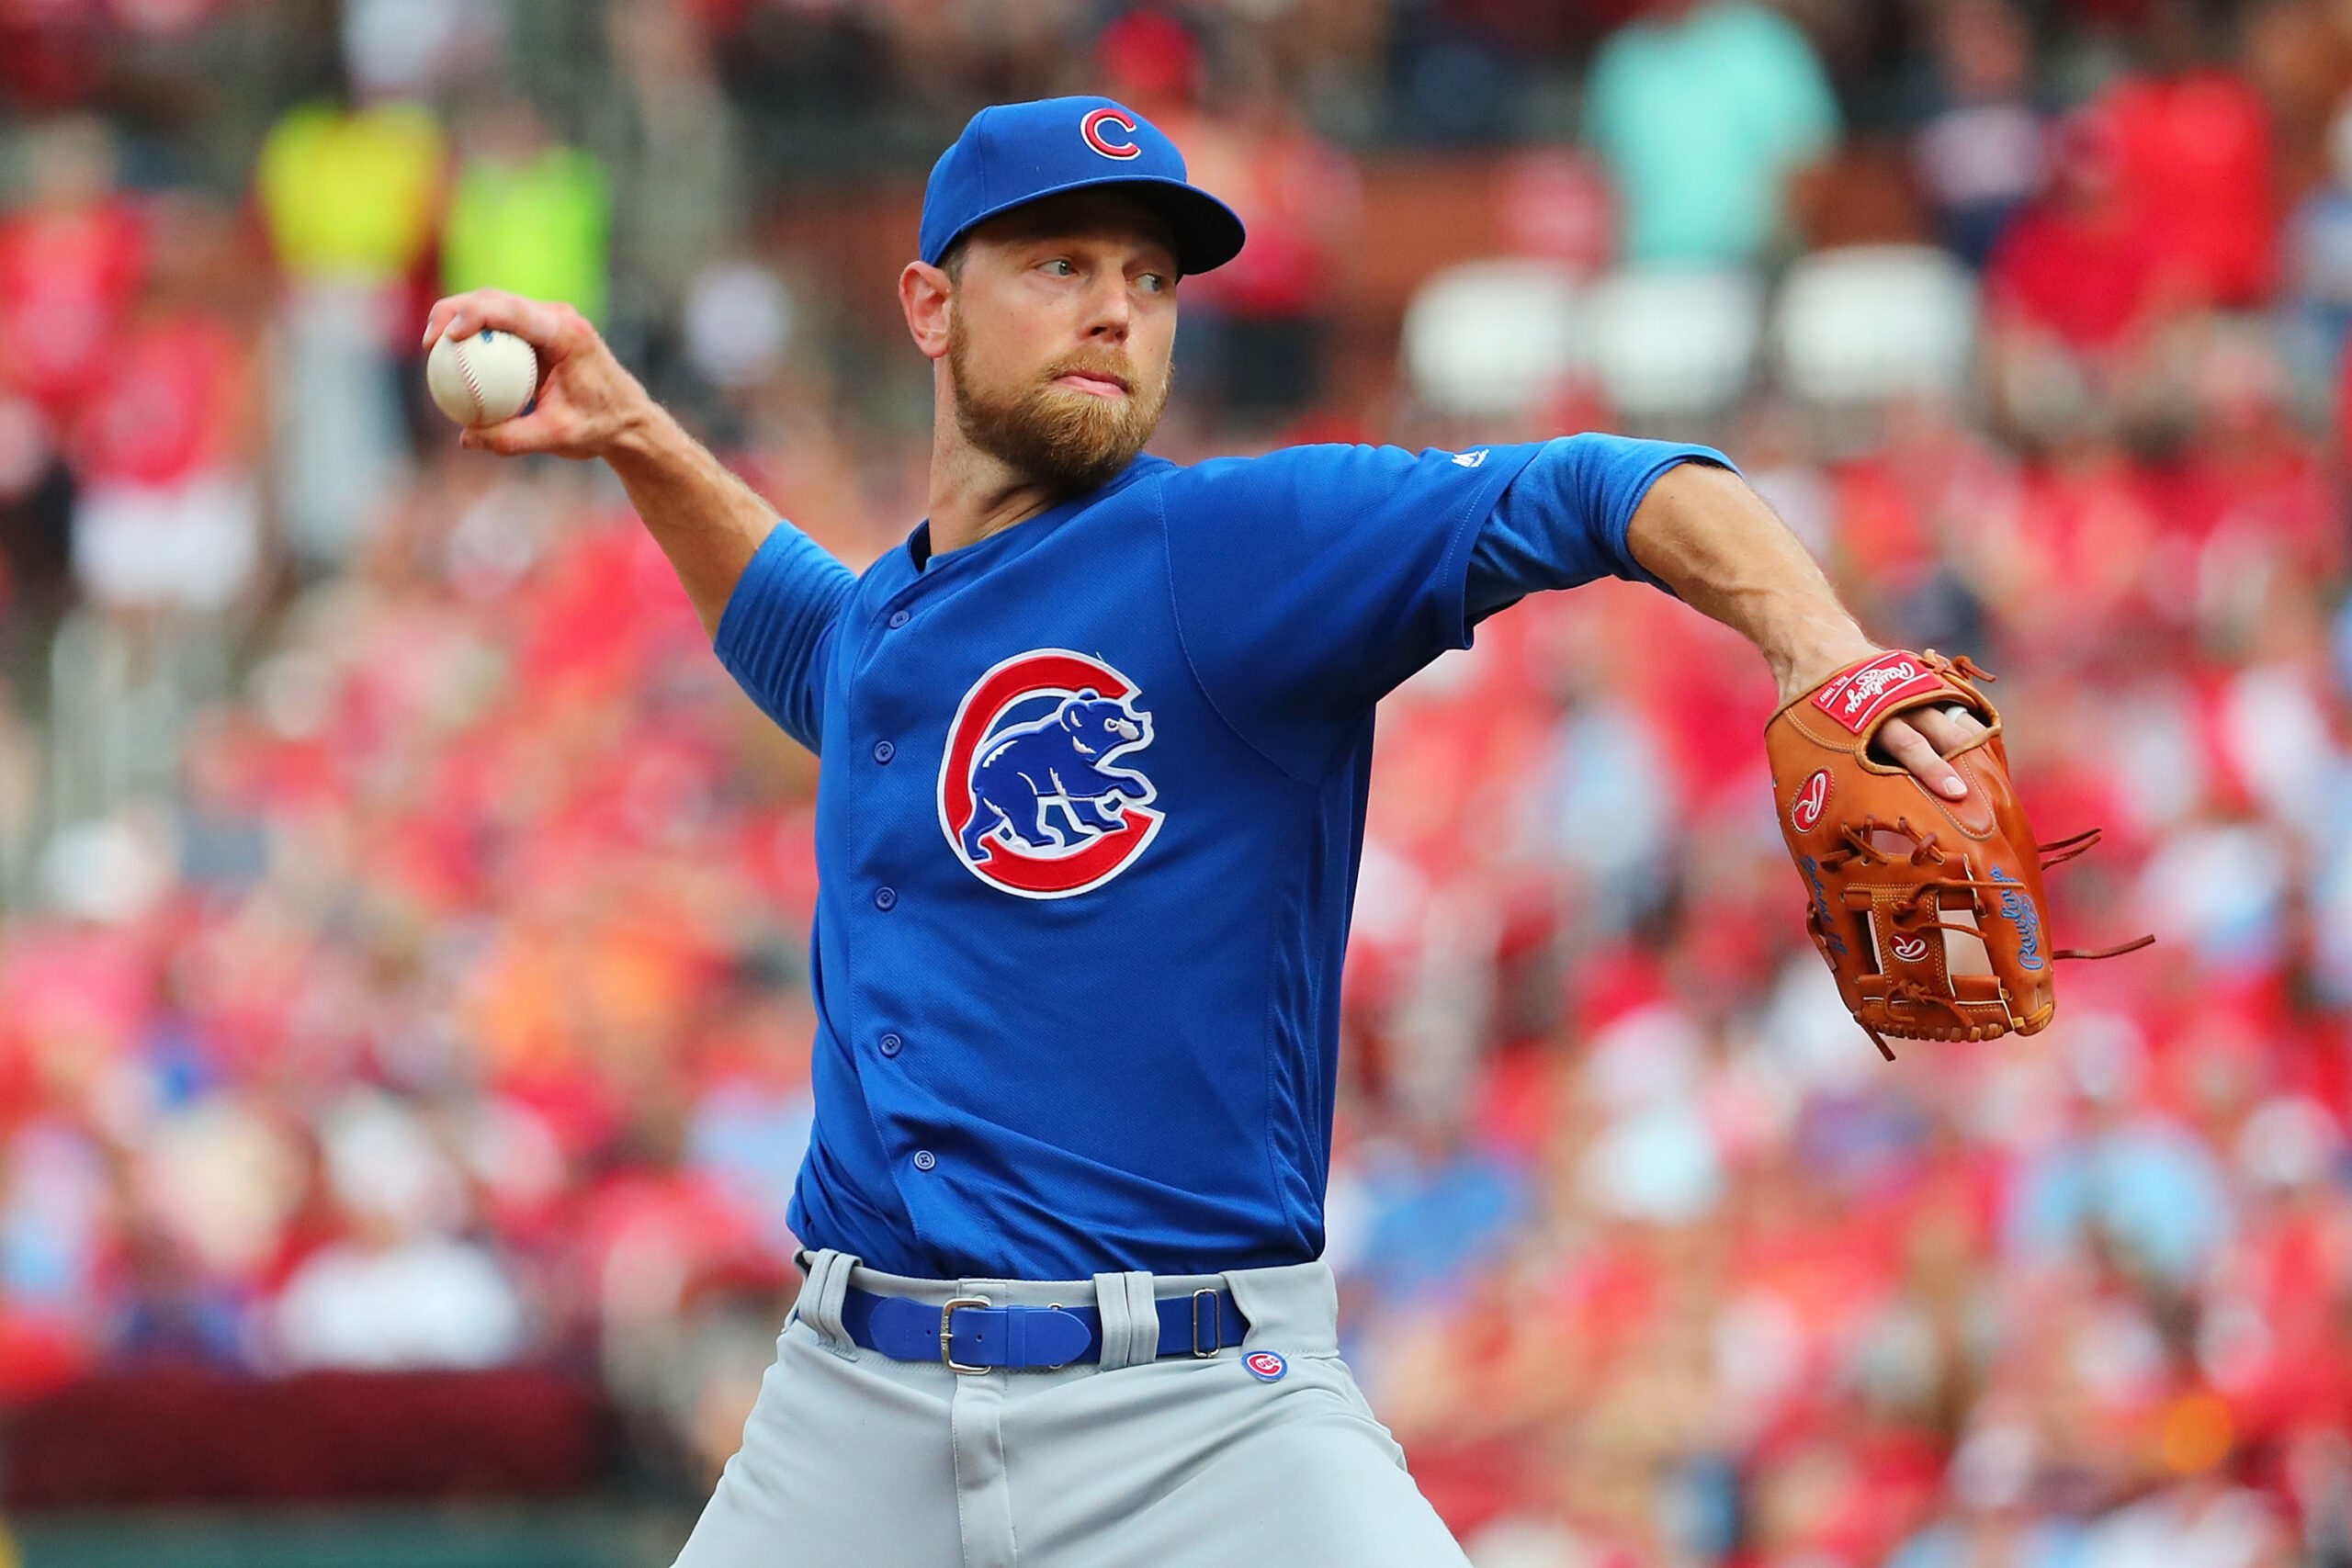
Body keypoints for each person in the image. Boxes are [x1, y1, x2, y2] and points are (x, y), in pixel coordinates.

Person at [423, 95, 1984, 1568]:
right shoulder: (899, 617)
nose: (1118, 308)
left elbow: (1606, 480)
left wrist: (1819, 644)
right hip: (853, 1409)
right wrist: (630, 427)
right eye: (1061, 264)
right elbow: (809, 641)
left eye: (1151, 278)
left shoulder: (1228, 549)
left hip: (1195, 1412)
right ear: (929, 307)